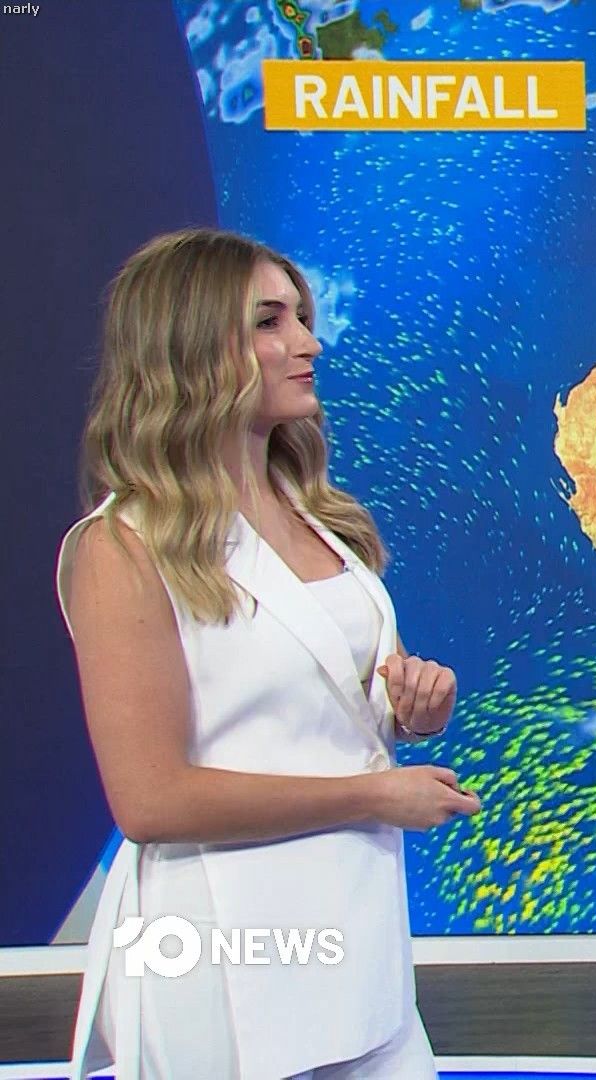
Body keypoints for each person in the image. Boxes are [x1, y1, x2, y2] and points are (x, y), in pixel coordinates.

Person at [53, 227, 484, 1078]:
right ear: (191, 347)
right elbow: (149, 800)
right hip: (226, 966)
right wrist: (372, 795)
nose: (307, 343)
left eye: (302, 318)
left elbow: (334, 704)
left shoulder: (325, 521)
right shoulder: (124, 548)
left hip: (361, 953)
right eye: (270, 322)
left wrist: (413, 709)